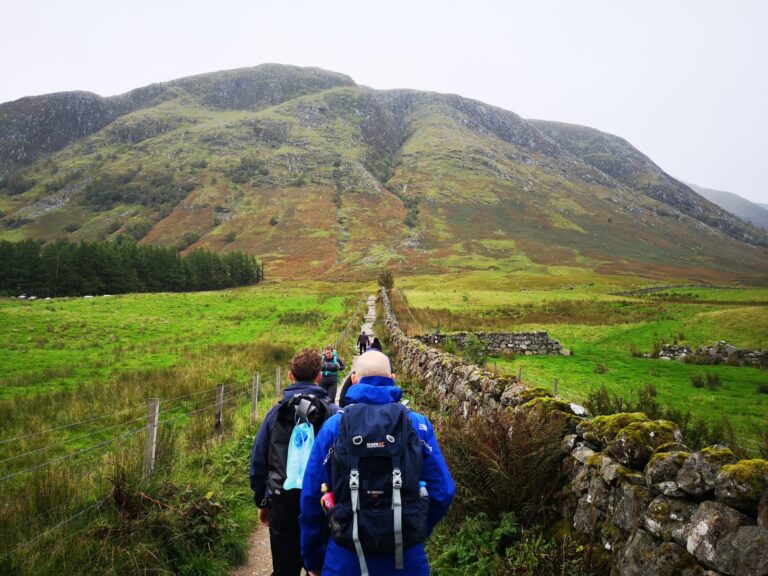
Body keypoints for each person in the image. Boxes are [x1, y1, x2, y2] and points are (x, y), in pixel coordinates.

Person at [299, 351, 455, 576]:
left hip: (345, 560)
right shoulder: (417, 425)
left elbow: (311, 498)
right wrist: (414, 528)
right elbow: (443, 490)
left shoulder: (334, 427)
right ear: (392, 377)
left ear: (354, 379)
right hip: (407, 561)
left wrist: (313, 559)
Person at [249, 349, 339, 576]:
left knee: (284, 569)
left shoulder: (275, 414)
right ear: (319, 377)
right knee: (321, 568)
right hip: (324, 504)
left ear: (290, 376)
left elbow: (259, 461)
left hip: (282, 502)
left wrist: (263, 501)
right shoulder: (335, 415)